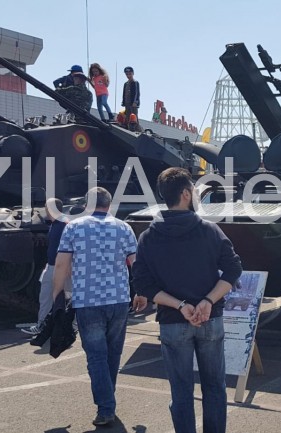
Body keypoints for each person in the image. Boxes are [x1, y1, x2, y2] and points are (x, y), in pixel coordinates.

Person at [133, 167, 243, 433]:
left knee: (180, 391)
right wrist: (207, 301)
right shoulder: (210, 230)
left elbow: (143, 284)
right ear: (185, 194)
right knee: (215, 388)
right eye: (193, 189)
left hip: (172, 322)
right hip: (210, 319)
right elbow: (233, 269)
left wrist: (181, 306)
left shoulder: (148, 237)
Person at [52, 187, 147, 427]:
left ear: (87, 204)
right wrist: (142, 292)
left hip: (88, 300)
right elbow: (136, 264)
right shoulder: (124, 228)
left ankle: (106, 407)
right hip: (119, 299)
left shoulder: (73, 227)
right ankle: (108, 401)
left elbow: (62, 264)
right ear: (109, 203)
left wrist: (57, 296)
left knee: (96, 356)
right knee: (112, 354)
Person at [22, 198, 68, 336]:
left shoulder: (63, 225)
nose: (45, 211)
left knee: (66, 298)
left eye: (47, 208)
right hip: (52, 265)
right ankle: (42, 324)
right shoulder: (55, 224)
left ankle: (70, 326)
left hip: (61, 267)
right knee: (46, 296)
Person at [122, 67, 140, 131]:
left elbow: (137, 93)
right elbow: (124, 93)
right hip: (127, 103)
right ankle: (130, 129)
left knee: (134, 117)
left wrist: (135, 102)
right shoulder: (125, 84)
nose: (128, 75)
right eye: (127, 74)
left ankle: (137, 130)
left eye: (130, 74)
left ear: (133, 73)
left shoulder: (135, 82)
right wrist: (123, 102)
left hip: (133, 103)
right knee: (128, 117)